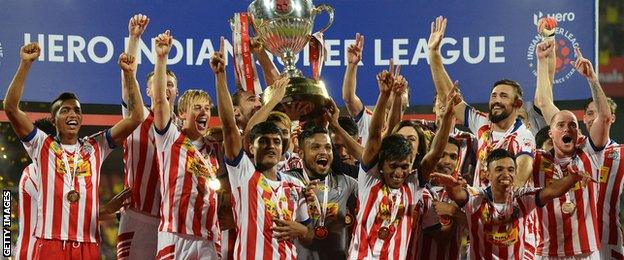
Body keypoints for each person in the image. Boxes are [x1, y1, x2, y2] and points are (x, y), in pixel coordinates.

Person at [3, 42, 144, 259]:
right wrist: (25, 64)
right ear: (54, 119)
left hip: (87, 244)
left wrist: (129, 75)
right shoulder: (43, 145)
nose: (73, 115)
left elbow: (136, 118)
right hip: (50, 242)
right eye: (65, 110)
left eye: (77, 111)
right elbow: (11, 107)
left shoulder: (96, 147)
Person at [213, 36, 313, 260]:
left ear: (283, 148)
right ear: (251, 146)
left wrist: (304, 231)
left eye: (276, 142)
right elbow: (230, 127)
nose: (271, 146)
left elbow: (311, 235)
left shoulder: (296, 184)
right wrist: (220, 77)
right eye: (264, 141)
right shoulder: (244, 175)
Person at [348, 63, 457, 259]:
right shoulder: (369, 179)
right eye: (393, 166)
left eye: (404, 167)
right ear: (382, 164)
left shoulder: (413, 186)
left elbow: (435, 152)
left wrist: (448, 117)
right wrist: (384, 95)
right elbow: (375, 135)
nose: (399, 173)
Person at [428, 16, 535, 189]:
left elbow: (524, 169)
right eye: (494, 96)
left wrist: (501, 204)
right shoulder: (482, 122)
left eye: (503, 96)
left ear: (517, 104)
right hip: (480, 211)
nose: (496, 101)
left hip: (504, 209)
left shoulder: (523, 137)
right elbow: (451, 99)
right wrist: (433, 55)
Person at [533, 38, 613, 259]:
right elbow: (544, 102)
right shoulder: (538, 160)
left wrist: (592, 78)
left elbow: (605, 118)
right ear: (550, 132)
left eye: (573, 125)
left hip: (586, 253)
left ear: (578, 133)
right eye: (560, 125)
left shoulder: (588, 152)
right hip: (548, 253)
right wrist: (541, 61)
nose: (567, 128)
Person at [432, 148, 591, 259]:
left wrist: (572, 178)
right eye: (499, 169)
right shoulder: (477, 197)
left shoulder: (522, 198)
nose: (506, 174)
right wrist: (450, 185)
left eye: (511, 169)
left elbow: (550, 191)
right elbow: (459, 194)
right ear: (487, 173)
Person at [151, 30, 221, 259]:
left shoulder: (214, 147)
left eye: (207, 108)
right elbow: (160, 101)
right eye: (197, 108)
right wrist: (161, 59)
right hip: (175, 234)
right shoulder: (170, 139)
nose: (204, 112)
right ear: (181, 114)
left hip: (209, 237)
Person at [116, 14, 173, 259]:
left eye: (171, 84)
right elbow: (128, 79)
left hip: (169, 224)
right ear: (149, 90)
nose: (166, 88)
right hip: (138, 217)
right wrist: (134, 39)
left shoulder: (179, 131)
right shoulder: (137, 116)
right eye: (162, 84)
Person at [285, 125, 358, 259]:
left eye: (328, 147)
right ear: (301, 153)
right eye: (315, 147)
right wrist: (298, 197)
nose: (323, 152)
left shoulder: (347, 184)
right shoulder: (287, 182)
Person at [341, 33, 408, 147]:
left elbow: (392, 129)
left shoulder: (410, 132)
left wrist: (397, 95)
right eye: (392, 88)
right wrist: (352, 65)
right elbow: (348, 98)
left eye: (402, 90)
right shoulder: (367, 119)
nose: (395, 89)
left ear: (408, 101)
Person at [416, 137, 467, 260]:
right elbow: (443, 237)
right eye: (441, 155)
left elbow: (478, 224)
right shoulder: (415, 189)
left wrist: (452, 211)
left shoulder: (465, 194)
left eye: (453, 157)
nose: (447, 161)